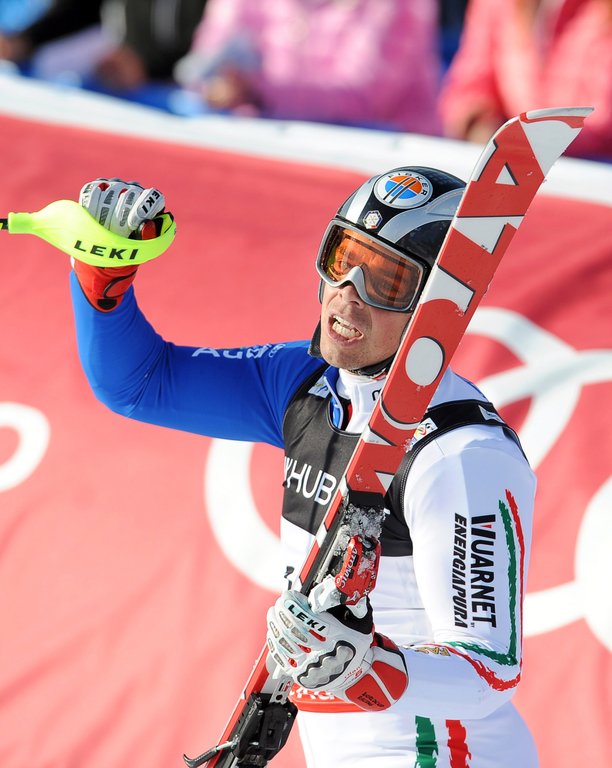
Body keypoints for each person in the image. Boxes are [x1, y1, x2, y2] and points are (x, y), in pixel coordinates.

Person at [69, 172, 538, 767]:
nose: (347, 294)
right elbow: (139, 383)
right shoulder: (306, 385)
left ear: (439, 306)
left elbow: (490, 672)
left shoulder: (461, 456)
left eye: (387, 280)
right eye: (342, 259)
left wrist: (368, 668)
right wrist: (102, 277)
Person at [173, 0, 442, 134]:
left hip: (390, 177)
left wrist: (257, 92)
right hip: (269, 147)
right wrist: (219, 85)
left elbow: (363, 98)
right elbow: (201, 65)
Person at [440, 0, 612, 161]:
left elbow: (602, 122)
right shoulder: (497, 5)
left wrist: (533, 142)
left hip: (595, 169)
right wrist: (483, 130)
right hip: (517, 166)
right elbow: (470, 87)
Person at [0, 0, 208, 91]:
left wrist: (147, 66)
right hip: (115, 85)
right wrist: (26, 41)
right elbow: (81, 8)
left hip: (177, 100)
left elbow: (210, 37)